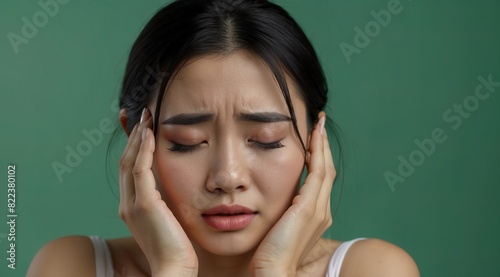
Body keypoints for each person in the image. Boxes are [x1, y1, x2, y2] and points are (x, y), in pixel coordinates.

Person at [28, 0, 420, 276]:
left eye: (266, 139)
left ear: (313, 141)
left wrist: (275, 272)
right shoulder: (71, 267)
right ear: (136, 139)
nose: (228, 176)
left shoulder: (374, 270)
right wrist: (173, 271)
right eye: (186, 141)